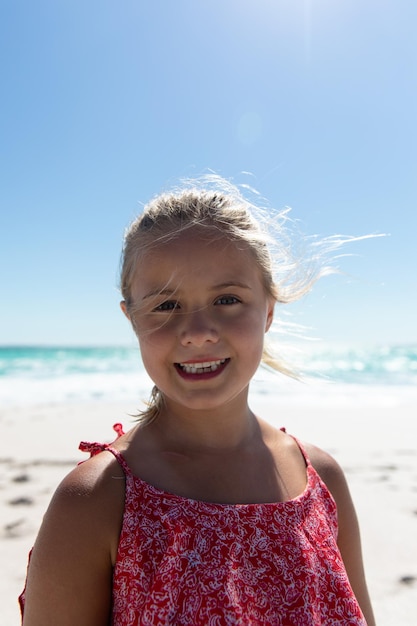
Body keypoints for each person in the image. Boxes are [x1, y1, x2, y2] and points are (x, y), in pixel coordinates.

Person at [20, 176, 376, 625]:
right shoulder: (97, 501)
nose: (198, 331)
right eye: (166, 306)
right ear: (131, 318)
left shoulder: (321, 481)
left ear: (267, 309)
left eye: (227, 299)